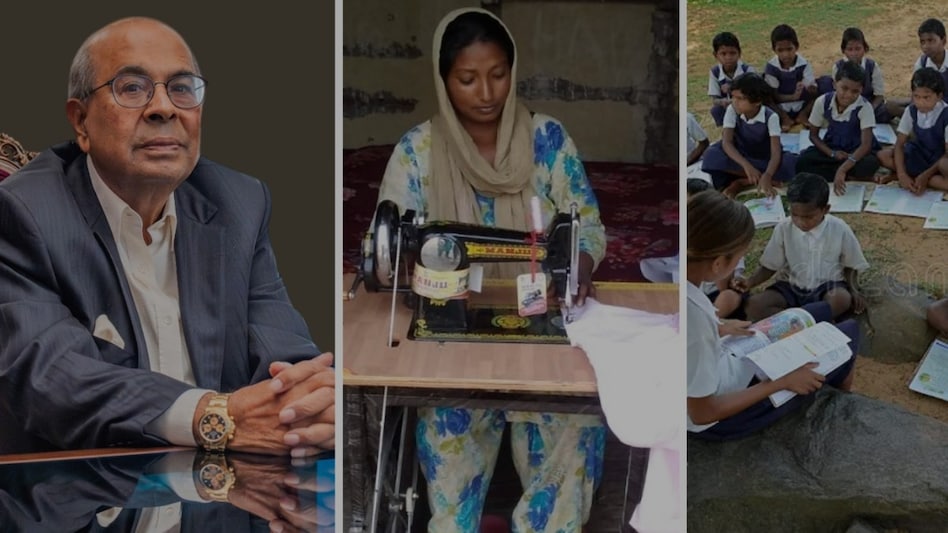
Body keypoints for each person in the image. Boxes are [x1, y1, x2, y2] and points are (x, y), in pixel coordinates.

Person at [0, 17, 334, 457]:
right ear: (81, 122)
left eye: (181, 88)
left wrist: (310, 404)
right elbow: (51, 377)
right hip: (78, 487)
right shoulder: (25, 212)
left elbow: (284, 353)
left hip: (225, 488)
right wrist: (213, 417)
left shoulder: (239, 204)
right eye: (132, 88)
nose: (163, 108)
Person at [373, 8, 606, 532]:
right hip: (450, 339)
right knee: (448, 459)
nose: (486, 93)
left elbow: (586, 225)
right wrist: (417, 269)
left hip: (541, 318)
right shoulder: (418, 152)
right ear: (443, 80)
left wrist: (578, 265)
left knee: (577, 424)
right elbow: (390, 245)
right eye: (467, 79)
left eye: (498, 74)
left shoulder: (547, 140)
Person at [686, 189, 859, 441]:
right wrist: (782, 382)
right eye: (739, 257)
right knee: (848, 334)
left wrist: (719, 327)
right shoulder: (694, 321)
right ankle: (836, 399)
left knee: (811, 314)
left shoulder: (682, 285)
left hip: (728, 366)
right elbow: (703, 413)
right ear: (718, 264)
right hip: (721, 417)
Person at [737, 173, 869, 322]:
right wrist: (750, 282)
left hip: (827, 287)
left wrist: (854, 290)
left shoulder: (839, 228)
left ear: (825, 209)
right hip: (791, 286)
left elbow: (851, 265)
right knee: (754, 306)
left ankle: (794, 321)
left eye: (808, 217)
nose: (801, 222)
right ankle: (809, 320)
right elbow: (769, 265)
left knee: (841, 300)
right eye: (795, 215)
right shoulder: (784, 228)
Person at [700, 72, 797, 198]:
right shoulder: (732, 110)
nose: (735, 102)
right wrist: (747, 166)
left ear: (757, 101)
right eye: (733, 97)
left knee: (789, 164)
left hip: (764, 158)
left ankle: (743, 181)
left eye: (740, 98)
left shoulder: (771, 116)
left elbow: (775, 152)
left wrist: (768, 174)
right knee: (711, 155)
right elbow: (727, 143)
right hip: (740, 156)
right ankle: (753, 178)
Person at [795, 60, 881, 196]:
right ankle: (848, 176)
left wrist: (843, 168)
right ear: (835, 84)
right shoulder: (822, 101)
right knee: (803, 161)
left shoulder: (864, 107)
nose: (848, 95)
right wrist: (832, 153)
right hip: (833, 147)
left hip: (856, 152)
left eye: (855, 91)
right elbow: (813, 135)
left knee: (870, 164)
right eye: (844, 88)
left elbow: (866, 145)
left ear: (861, 90)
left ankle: (841, 173)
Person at [877, 67, 948, 194]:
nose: (921, 102)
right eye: (916, 96)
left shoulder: (946, 114)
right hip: (918, 154)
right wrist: (901, 174)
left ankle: (918, 178)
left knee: (944, 165)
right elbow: (899, 144)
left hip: (939, 160)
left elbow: (947, 154)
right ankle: (912, 177)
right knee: (883, 155)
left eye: (926, 97)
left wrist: (925, 175)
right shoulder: (911, 110)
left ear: (939, 96)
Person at [815, 27, 900, 123]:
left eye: (858, 49)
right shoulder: (838, 67)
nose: (854, 53)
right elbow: (837, 94)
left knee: (887, 109)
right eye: (850, 49)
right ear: (843, 50)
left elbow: (879, 96)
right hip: (845, 106)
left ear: (865, 48)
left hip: (868, 105)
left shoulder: (872, 66)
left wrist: (869, 111)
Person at [764, 24, 818, 132]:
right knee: (765, 98)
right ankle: (785, 118)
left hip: (801, 103)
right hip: (780, 105)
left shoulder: (804, 64)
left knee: (824, 88)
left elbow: (812, 89)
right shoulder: (772, 68)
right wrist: (793, 97)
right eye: (780, 50)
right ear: (774, 50)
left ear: (796, 47)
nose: (786, 55)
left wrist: (811, 88)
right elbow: (774, 96)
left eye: (789, 49)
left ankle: (803, 115)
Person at [707, 32, 756, 127]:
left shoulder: (747, 70)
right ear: (715, 55)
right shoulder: (715, 72)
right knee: (716, 110)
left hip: (746, 105)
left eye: (732, 53)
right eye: (723, 54)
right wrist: (723, 101)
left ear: (739, 53)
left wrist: (732, 88)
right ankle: (725, 129)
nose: (728, 58)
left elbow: (755, 94)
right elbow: (714, 99)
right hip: (727, 106)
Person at [914, 18, 948, 103]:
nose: (926, 46)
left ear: (944, 41)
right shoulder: (922, 63)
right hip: (929, 105)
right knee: (892, 105)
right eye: (922, 42)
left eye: (930, 40)